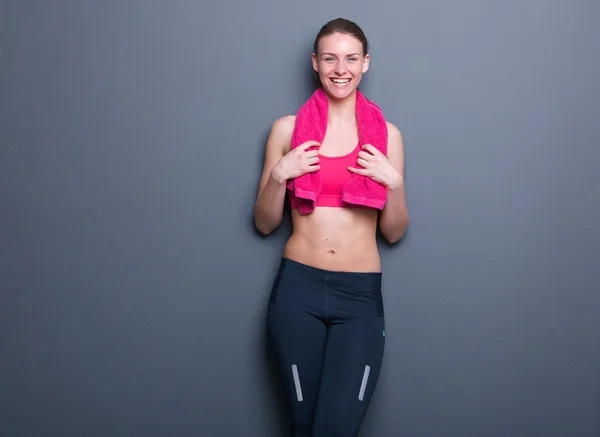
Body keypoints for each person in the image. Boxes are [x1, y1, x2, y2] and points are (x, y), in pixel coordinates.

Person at [253, 17, 409, 437]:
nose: (341, 69)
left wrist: (393, 183)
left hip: (359, 296)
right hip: (297, 291)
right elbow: (265, 223)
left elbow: (393, 232)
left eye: (351, 59)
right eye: (330, 58)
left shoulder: (387, 137)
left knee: (336, 427)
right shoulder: (286, 131)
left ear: (366, 64)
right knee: (303, 424)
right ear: (315, 63)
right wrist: (279, 175)